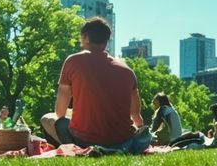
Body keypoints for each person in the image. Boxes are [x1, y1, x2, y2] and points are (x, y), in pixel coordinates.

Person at [41, 17, 144, 147]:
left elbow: (60, 112)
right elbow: (135, 115)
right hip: (122, 142)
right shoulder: (128, 71)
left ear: (85, 37)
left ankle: (68, 151)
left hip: (85, 141)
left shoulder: (73, 61)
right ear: (106, 41)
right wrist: (141, 131)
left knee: (47, 119)